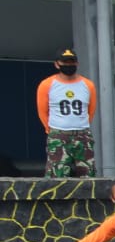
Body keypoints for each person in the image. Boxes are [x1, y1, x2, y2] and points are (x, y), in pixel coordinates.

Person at [37, 48, 96, 177]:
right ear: (57, 64)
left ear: (77, 64)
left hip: (82, 133)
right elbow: (42, 111)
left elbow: (90, 110)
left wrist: (82, 126)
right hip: (58, 133)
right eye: (65, 62)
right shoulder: (47, 84)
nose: (68, 65)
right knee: (57, 173)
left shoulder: (88, 85)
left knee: (87, 173)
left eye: (71, 62)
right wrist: (51, 130)